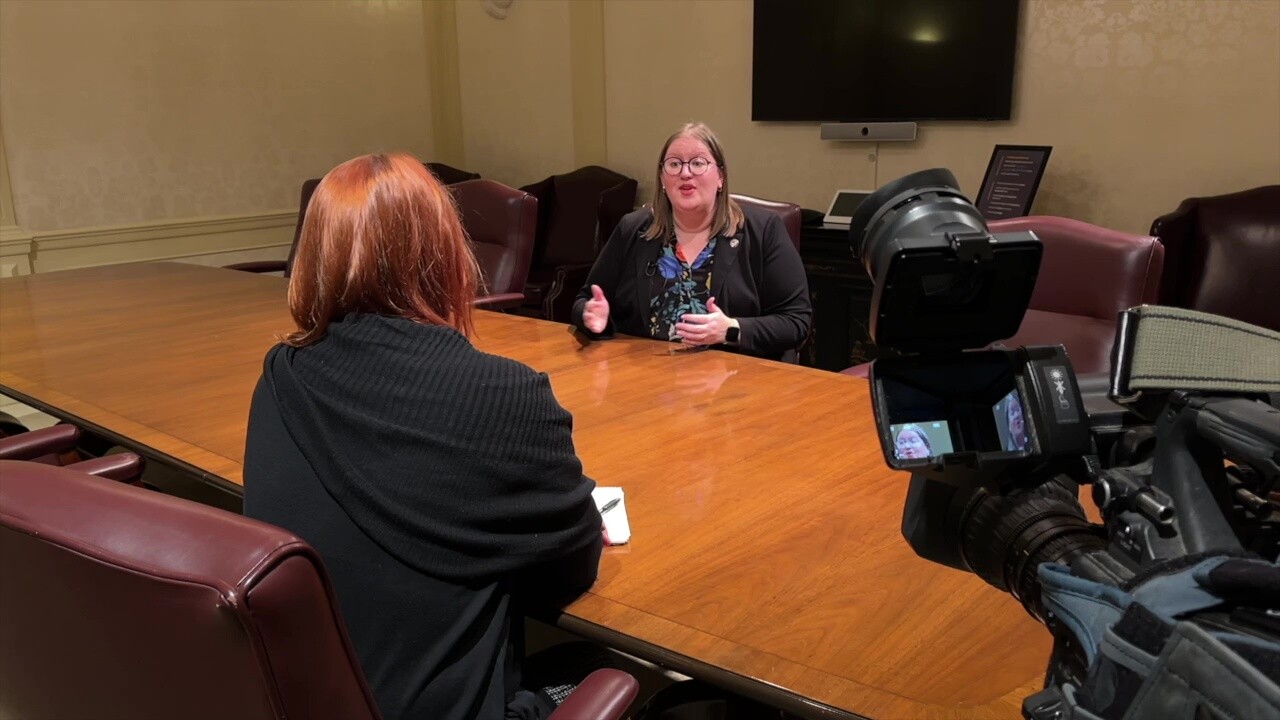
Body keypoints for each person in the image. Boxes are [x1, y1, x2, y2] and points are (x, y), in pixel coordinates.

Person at [243, 153, 604, 720]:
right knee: (606, 666)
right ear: (447, 254)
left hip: (313, 696)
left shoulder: (280, 375)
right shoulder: (507, 395)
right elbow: (569, 571)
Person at [571, 122, 811, 362]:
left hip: (735, 382)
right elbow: (585, 300)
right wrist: (592, 317)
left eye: (698, 163)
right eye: (674, 164)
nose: (685, 173)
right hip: (645, 377)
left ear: (721, 177)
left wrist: (730, 329)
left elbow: (796, 321)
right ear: (663, 179)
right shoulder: (633, 229)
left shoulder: (763, 231)